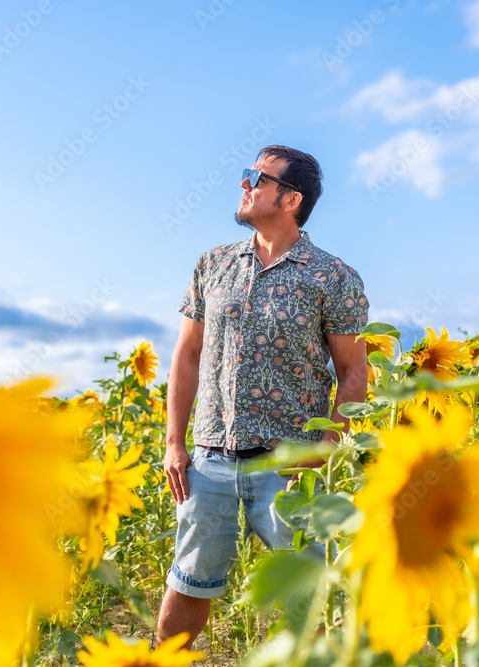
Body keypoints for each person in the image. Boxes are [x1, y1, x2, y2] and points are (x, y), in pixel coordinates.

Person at [155, 145, 369, 648]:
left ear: (291, 199)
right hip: (208, 461)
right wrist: (174, 443)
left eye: (257, 176)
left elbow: (353, 371)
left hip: (290, 468)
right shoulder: (213, 264)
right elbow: (186, 356)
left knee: (306, 599)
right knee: (187, 586)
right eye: (247, 173)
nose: (245, 183)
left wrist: (323, 450)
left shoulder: (333, 277)